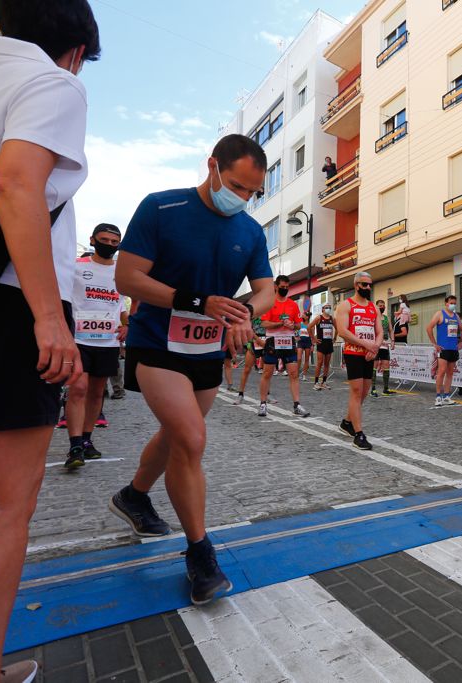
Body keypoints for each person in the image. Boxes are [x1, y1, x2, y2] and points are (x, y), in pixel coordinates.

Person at [0, 1, 99, 679]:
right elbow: (16, 183)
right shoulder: (54, 82)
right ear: (75, 50)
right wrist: (50, 316)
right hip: (1, 305)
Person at [109, 134, 274, 606]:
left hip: (205, 354)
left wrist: (245, 312)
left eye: (252, 193)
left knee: (177, 436)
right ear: (213, 167)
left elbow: (264, 289)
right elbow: (127, 278)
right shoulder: (161, 208)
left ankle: (134, 496)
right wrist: (196, 301)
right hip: (156, 344)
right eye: (237, 186)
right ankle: (200, 554)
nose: (241, 199)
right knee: (191, 438)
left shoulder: (251, 231)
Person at [64, 224, 129, 469]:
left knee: (96, 392)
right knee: (78, 388)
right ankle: (75, 445)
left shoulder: (122, 271)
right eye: (105, 240)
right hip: (78, 339)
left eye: (115, 242)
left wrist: (127, 325)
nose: (110, 245)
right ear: (92, 240)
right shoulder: (77, 266)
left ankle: (88, 440)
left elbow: (120, 305)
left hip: (108, 341)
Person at [334, 272, 382, 450]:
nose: (368, 288)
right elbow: (343, 331)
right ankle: (359, 434)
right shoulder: (345, 306)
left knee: (364, 393)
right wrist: (367, 345)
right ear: (356, 285)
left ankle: (347, 422)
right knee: (356, 392)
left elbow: (380, 332)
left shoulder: (373, 308)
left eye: (370, 284)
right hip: (353, 352)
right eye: (364, 284)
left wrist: (375, 347)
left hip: (369, 355)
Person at [258, 275, 310, 417]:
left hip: (288, 341)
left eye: (287, 287)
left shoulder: (293, 304)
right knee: (267, 373)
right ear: (276, 286)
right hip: (273, 341)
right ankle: (263, 403)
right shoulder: (269, 302)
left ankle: (297, 405)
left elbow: (299, 324)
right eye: (282, 287)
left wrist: (293, 325)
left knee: (293, 373)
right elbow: (263, 323)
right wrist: (281, 323)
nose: (285, 289)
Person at [427, 295, 462, 406]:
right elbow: (429, 328)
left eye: (455, 303)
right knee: (441, 371)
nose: (453, 305)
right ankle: (438, 397)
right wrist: (434, 344)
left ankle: (447, 396)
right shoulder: (439, 314)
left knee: (450, 373)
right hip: (443, 348)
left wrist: (461, 342)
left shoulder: (456, 316)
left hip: (453, 348)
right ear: (446, 303)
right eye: (451, 303)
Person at [232, 316, 265, 404]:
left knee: (267, 371)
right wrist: (255, 340)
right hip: (254, 340)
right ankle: (240, 394)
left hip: (266, 341)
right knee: (246, 369)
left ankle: (267, 394)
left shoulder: (270, 310)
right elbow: (248, 327)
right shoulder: (255, 311)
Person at [371, 299, 394, 397]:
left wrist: (392, 341)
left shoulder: (386, 318)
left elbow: (391, 330)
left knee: (386, 366)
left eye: (383, 305)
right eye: (380, 305)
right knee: (374, 366)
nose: (382, 307)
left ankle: (385, 388)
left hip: (385, 345)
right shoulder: (373, 317)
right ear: (376, 307)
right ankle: (373, 389)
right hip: (375, 344)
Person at [311, 303, 335, 390]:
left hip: (329, 344)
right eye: (326, 307)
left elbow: (337, 328)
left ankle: (324, 382)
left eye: (329, 307)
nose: (328, 308)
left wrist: (335, 337)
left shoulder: (332, 319)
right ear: (323, 309)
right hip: (321, 343)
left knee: (327, 364)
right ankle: (316, 382)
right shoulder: (319, 318)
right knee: (319, 363)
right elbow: (309, 327)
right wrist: (314, 339)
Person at [296, 313, 313, 381]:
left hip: (308, 342)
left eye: (304, 315)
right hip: (300, 341)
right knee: (299, 358)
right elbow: (296, 331)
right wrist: (296, 337)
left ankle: (304, 375)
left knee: (306, 359)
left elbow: (312, 336)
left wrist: (312, 345)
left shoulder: (311, 325)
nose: (302, 316)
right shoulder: (300, 324)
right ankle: (297, 373)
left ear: (307, 317)